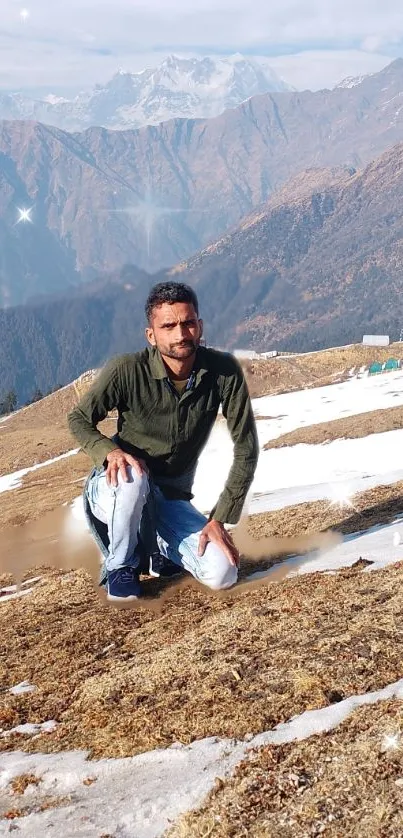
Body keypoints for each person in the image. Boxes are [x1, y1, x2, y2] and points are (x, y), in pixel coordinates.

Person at [67, 281, 259, 601]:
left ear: (199, 326)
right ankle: (121, 567)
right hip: (117, 486)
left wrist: (220, 517)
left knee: (223, 572)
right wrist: (110, 452)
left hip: (169, 497)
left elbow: (246, 448)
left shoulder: (223, 371)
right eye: (168, 326)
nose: (180, 334)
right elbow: (78, 419)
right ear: (151, 335)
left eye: (188, 323)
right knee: (133, 477)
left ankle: (161, 550)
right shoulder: (126, 370)